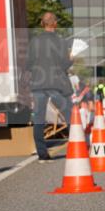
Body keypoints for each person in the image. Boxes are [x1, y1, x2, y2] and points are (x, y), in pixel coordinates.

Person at [27, 12, 73, 162]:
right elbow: (64, 64)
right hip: (57, 84)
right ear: (55, 23)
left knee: (39, 119)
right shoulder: (61, 41)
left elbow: (28, 64)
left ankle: (42, 154)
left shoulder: (34, 41)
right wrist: (71, 59)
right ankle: (76, 147)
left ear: (42, 23)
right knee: (69, 115)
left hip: (38, 83)